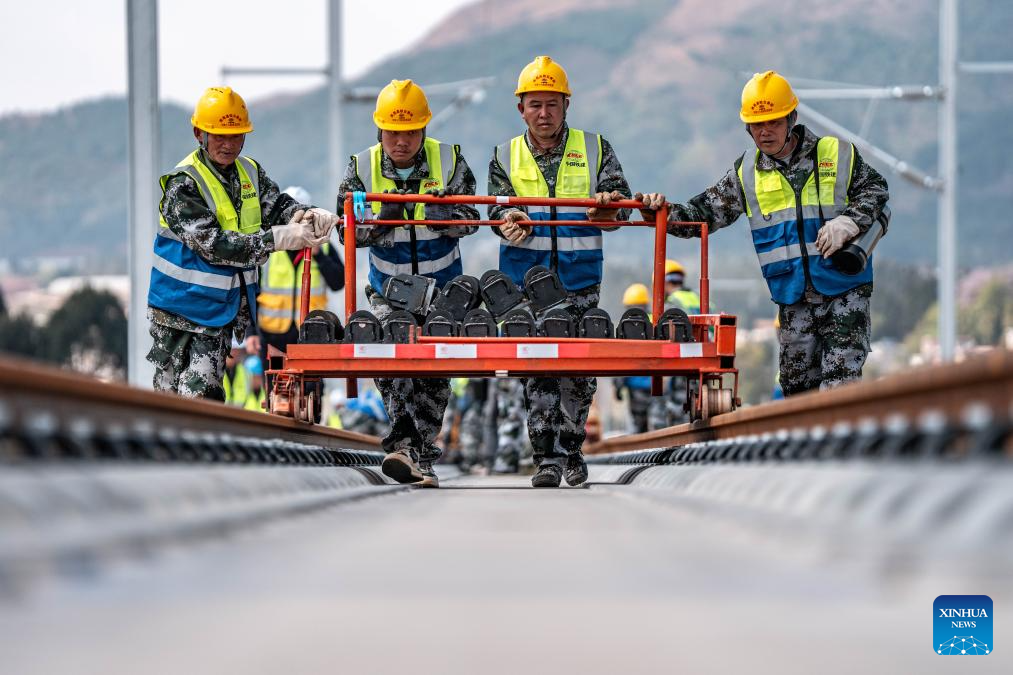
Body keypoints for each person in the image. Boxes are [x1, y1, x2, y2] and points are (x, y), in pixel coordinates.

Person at [638, 71, 889, 396]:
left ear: (791, 119)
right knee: (797, 391)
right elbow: (700, 215)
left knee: (839, 387)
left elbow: (876, 189)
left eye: (773, 122)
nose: (765, 131)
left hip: (845, 290)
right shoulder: (746, 174)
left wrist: (849, 222)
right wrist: (659, 213)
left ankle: (837, 430)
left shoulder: (835, 153)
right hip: (793, 299)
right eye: (757, 125)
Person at [488, 55, 632, 488]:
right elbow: (496, 209)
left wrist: (609, 206)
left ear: (567, 105)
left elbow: (621, 204)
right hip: (527, 283)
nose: (544, 113)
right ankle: (546, 459)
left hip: (578, 278)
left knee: (579, 371)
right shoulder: (504, 155)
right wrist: (507, 221)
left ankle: (572, 450)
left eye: (552, 104)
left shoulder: (595, 148)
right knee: (538, 370)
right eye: (535, 104)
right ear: (521, 109)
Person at [147, 87, 338, 400]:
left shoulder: (249, 172)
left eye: (236, 136)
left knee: (203, 395)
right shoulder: (184, 185)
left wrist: (305, 214)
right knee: (171, 397)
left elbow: (276, 205)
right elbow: (213, 244)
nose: (228, 144)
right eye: (220, 136)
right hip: (178, 309)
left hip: (218, 309)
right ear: (199, 134)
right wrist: (276, 238)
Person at [338, 79, 479, 488]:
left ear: (424, 128)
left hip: (443, 290)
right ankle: (403, 446)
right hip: (388, 289)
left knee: (434, 372)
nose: (401, 141)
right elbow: (346, 233)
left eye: (411, 132)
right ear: (379, 129)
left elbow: (473, 219)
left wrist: (446, 219)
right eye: (393, 132)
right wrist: (380, 223)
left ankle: (419, 454)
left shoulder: (449, 161)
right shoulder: (361, 168)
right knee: (390, 354)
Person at [256, 185, 345, 356]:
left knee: (309, 375)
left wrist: (320, 256)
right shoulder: (269, 247)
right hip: (271, 337)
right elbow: (252, 292)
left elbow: (338, 283)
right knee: (273, 374)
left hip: (311, 333)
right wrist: (252, 333)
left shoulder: (324, 248)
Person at [614, 283, 653, 433]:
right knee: (659, 424)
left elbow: (621, 357)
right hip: (657, 382)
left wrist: (618, 385)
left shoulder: (626, 326)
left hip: (635, 384)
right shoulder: (654, 320)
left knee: (639, 426)